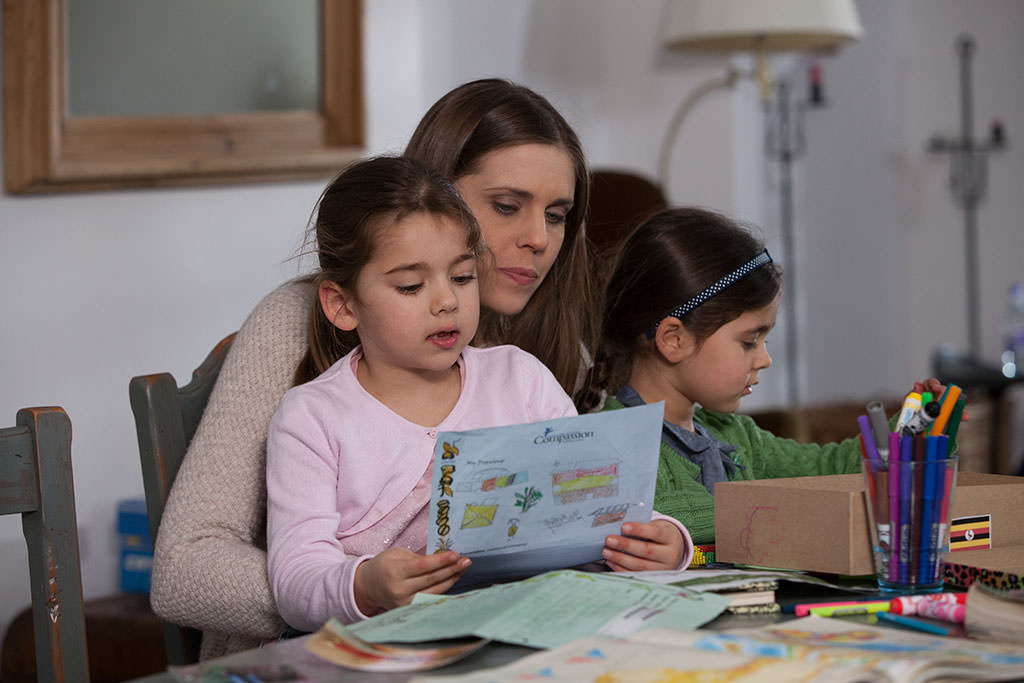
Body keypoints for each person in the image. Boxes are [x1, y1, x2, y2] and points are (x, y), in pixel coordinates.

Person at [150, 79, 597, 659]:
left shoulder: (539, 355)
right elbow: (184, 569)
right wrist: (359, 592)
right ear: (436, 195)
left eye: (557, 215)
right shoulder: (295, 323)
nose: (538, 238)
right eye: (507, 207)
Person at [265, 156, 690, 633]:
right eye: (410, 285)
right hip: (395, 646)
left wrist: (666, 539)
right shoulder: (313, 416)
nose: (447, 301)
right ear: (343, 306)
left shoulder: (519, 378)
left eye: (463, 277)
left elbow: (597, 495)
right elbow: (295, 578)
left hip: (531, 630)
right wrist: (364, 585)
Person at [577, 206, 951, 546]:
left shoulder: (735, 435)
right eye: (749, 341)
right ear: (674, 339)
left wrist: (914, 428)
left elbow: (828, 472)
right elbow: (672, 515)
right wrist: (787, 509)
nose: (765, 359)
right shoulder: (614, 439)